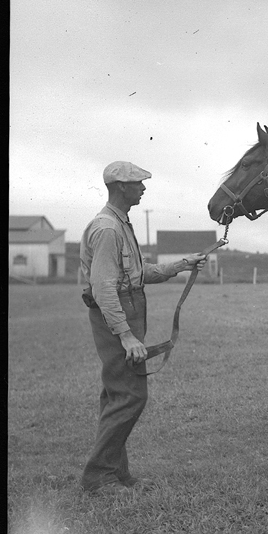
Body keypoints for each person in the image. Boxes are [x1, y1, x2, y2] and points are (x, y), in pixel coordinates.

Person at [79, 161, 207, 496]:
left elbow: (137, 273)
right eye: (138, 182)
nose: (144, 188)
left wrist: (181, 265)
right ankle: (99, 477)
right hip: (117, 313)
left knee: (117, 394)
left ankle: (116, 472)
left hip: (127, 306)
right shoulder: (108, 228)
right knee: (130, 395)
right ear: (121, 186)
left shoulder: (120, 223)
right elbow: (103, 288)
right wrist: (125, 334)